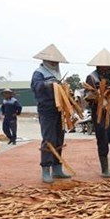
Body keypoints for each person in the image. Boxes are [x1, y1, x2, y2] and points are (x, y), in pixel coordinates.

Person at [30, 43, 71, 184]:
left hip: (59, 109)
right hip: (46, 109)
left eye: (56, 62)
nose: (55, 64)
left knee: (59, 138)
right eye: (53, 61)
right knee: (49, 139)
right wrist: (47, 84)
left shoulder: (57, 73)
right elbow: (35, 87)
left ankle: (57, 168)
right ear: (46, 61)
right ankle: (46, 169)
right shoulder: (39, 73)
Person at [85, 48, 110, 178]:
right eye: (107, 66)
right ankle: (105, 170)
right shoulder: (92, 77)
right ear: (100, 66)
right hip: (99, 113)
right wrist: (98, 97)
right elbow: (88, 95)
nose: (109, 68)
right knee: (103, 138)